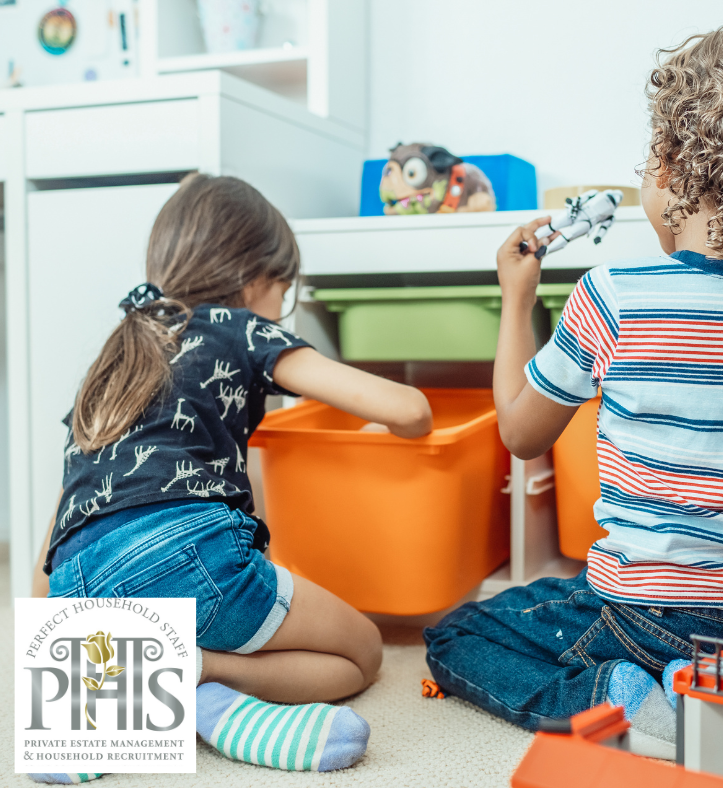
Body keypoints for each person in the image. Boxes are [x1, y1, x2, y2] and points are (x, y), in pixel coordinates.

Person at [424, 20, 723, 759]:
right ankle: (714, 695)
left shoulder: (615, 295)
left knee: (457, 633)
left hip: (655, 610)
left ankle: (621, 698)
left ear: (668, 163)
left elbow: (521, 434)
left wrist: (515, 296)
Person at [30, 173, 433, 784]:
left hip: (76, 582)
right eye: (284, 291)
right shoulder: (238, 325)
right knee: (362, 653)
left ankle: (121, 704)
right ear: (256, 281)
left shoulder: (115, 356)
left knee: (130, 634)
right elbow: (411, 410)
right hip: (191, 557)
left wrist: (50, 630)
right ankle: (198, 671)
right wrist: (391, 429)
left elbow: (64, 508)